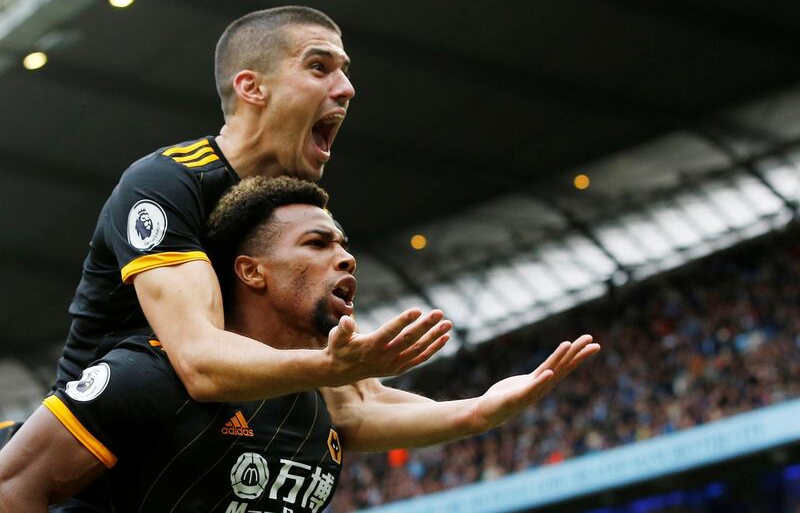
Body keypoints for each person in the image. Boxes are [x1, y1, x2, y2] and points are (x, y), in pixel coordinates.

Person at [0, 177, 601, 512]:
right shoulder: (149, 377)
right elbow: (13, 485)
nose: (345, 257)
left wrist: (482, 411)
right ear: (252, 272)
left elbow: (372, 408)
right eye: (316, 244)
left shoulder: (325, 407)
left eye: (344, 246)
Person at [55, 5, 448, 404]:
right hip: (105, 439)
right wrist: (331, 367)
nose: (346, 88)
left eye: (344, 70)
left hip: (217, 441)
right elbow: (199, 362)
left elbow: (355, 407)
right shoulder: (166, 183)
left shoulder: (301, 216)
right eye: (318, 67)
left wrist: (486, 409)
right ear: (252, 88)